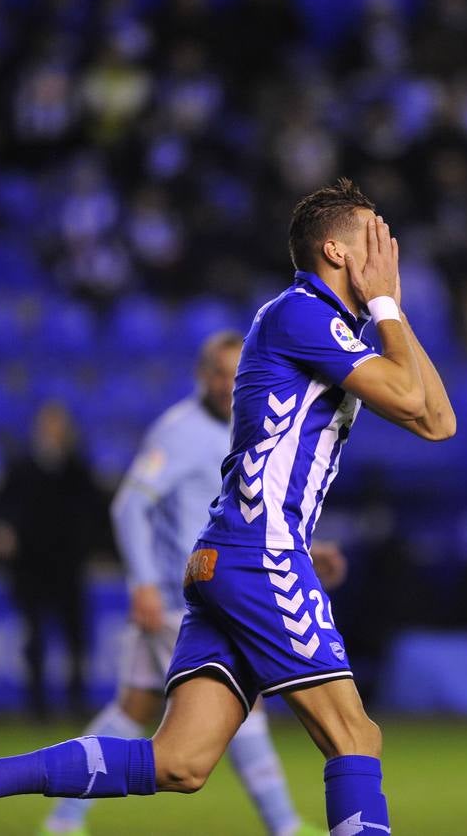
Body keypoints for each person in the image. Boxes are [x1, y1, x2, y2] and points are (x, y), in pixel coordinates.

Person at [0, 178, 456, 836]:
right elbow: (415, 404)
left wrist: (391, 307)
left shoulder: (337, 328)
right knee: (355, 738)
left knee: (180, 762)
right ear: (335, 250)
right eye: (374, 239)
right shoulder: (300, 312)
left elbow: (438, 420)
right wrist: (385, 300)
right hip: (260, 555)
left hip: (226, 560)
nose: (388, 249)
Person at [41, 329, 334, 836]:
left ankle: (63, 820)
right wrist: (144, 584)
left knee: (133, 708)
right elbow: (130, 504)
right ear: (202, 376)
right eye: (218, 373)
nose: (227, 384)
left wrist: (304, 550)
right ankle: (285, 825)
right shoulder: (178, 430)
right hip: (190, 597)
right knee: (244, 703)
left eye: (235, 373)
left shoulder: (251, 424)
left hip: (213, 588)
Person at [0, 402, 108, 720]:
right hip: (30, 568)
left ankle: (76, 701)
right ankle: (37, 705)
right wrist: (2, 531)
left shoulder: (76, 467)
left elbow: (93, 512)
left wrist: (91, 547)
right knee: (35, 638)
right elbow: (2, 509)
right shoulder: (21, 466)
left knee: (76, 638)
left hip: (68, 567)